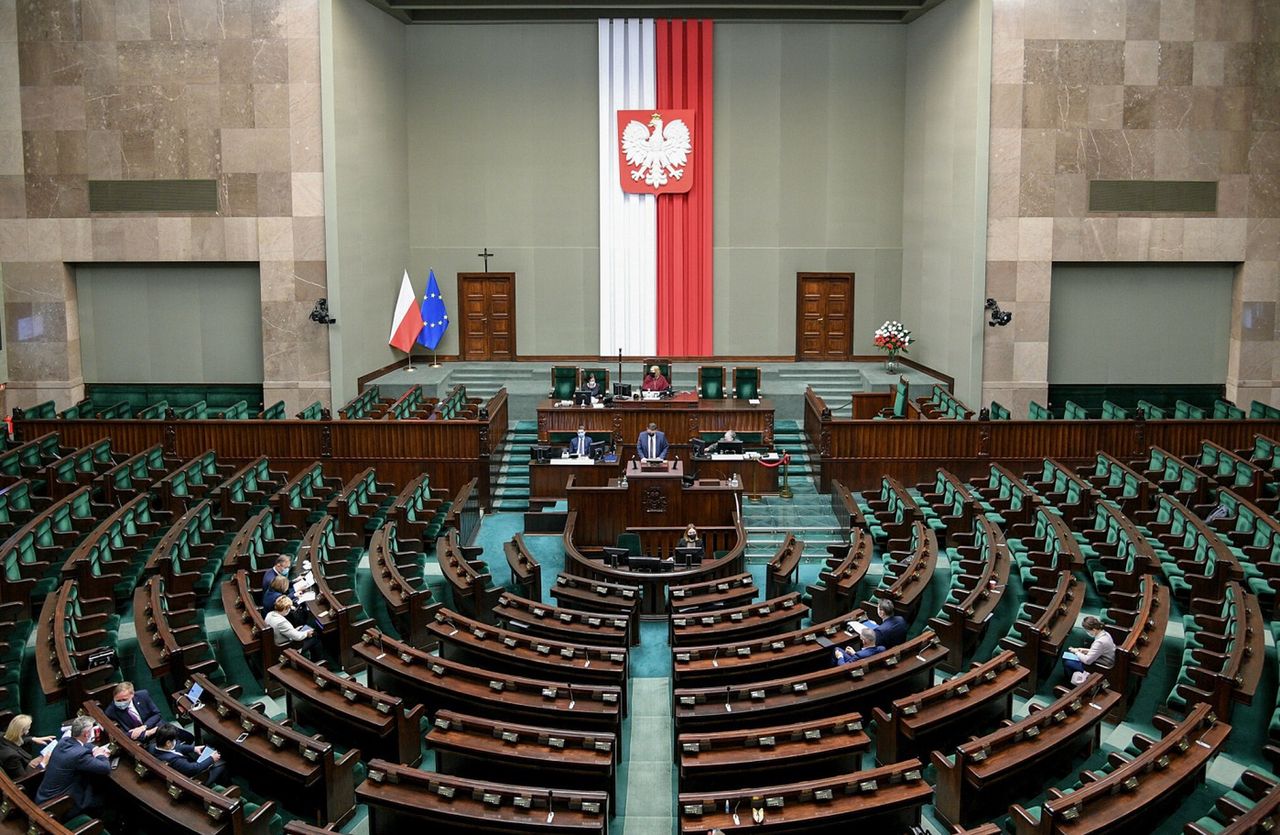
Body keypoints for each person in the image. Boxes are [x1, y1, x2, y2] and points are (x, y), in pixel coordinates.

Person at [34, 716, 111, 818]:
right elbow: (105, 768)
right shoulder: (80, 755)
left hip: (42, 797)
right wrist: (100, 755)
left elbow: (84, 746)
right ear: (87, 734)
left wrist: (95, 748)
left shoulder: (64, 741)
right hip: (59, 805)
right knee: (106, 797)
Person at [151, 725, 227, 786]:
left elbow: (176, 747)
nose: (176, 742)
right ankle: (222, 785)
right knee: (221, 763)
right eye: (174, 740)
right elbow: (194, 769)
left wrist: (193, 748)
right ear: (168, 743)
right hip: (194, 779)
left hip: (185, 767)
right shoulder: (174, 760)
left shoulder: (154, 746)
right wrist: (212, 759)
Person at [265, 595, 324, 660]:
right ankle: (318, 661)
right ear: (285, 608)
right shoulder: (281, 622)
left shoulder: (270, 614)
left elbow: (284, 631)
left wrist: (294, 630)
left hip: (277, 641)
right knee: (315, 638)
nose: (290, 609)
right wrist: (306, 633)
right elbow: (297, 637)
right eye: (289, 608)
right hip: (287, 647)